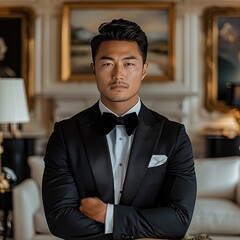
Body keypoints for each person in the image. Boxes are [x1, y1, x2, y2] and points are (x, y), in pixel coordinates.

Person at [42, 19, 197, 240]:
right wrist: (143, 230)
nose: (118, 74)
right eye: (107, 64)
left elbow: (179, 220)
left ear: (144, 70)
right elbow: (60, 220)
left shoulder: (174, 135)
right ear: (93, 69)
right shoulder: (66, 135)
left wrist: (108, 215)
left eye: (129, 63)